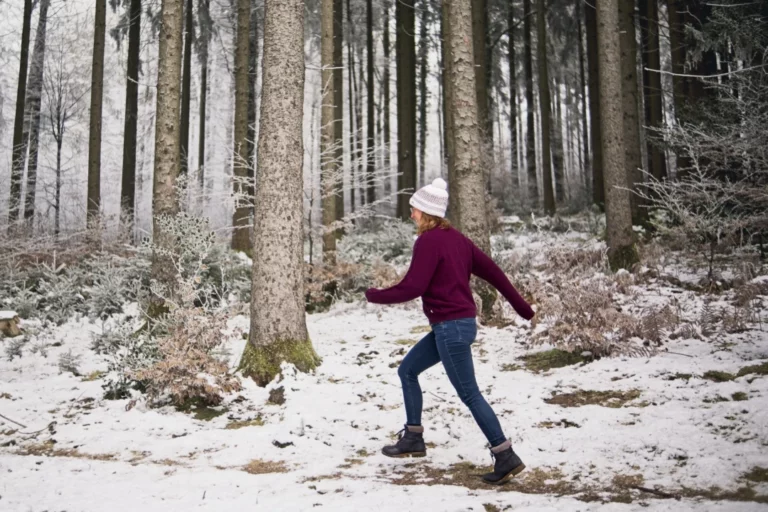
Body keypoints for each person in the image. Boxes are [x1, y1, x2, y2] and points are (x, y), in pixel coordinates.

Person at [365, 178, 535, 485]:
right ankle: (413, 437)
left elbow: (413, 287)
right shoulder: (459, 241)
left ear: (427, 212)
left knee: (470, 394)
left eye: (414, 209)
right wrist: (522, 307)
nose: (411, 215)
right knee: (407, 371)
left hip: (450, 329)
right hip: (458, 325)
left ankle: (505, 454)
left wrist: (375, 295)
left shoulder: (428, 242)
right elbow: (495, 272)